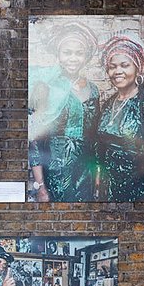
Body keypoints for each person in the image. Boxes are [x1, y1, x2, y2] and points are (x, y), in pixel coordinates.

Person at [29, 21, 100, 202]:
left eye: (79, 53)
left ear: (86, 57)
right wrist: (41, 186)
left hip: (85, 173)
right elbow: (35, 140)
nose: (73, 58)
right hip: (55, 171)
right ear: (59, 55)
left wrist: (97, 173)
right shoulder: (47, 87)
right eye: (67, 53)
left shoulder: (93, 90)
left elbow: (95, 137)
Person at [92, 34, 144, 201]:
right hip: (108, 187)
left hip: (136, 188)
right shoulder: (108, 104)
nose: (117, 71)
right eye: (112, 67)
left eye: (125, 65)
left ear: (137, 68)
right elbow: (100, 145)